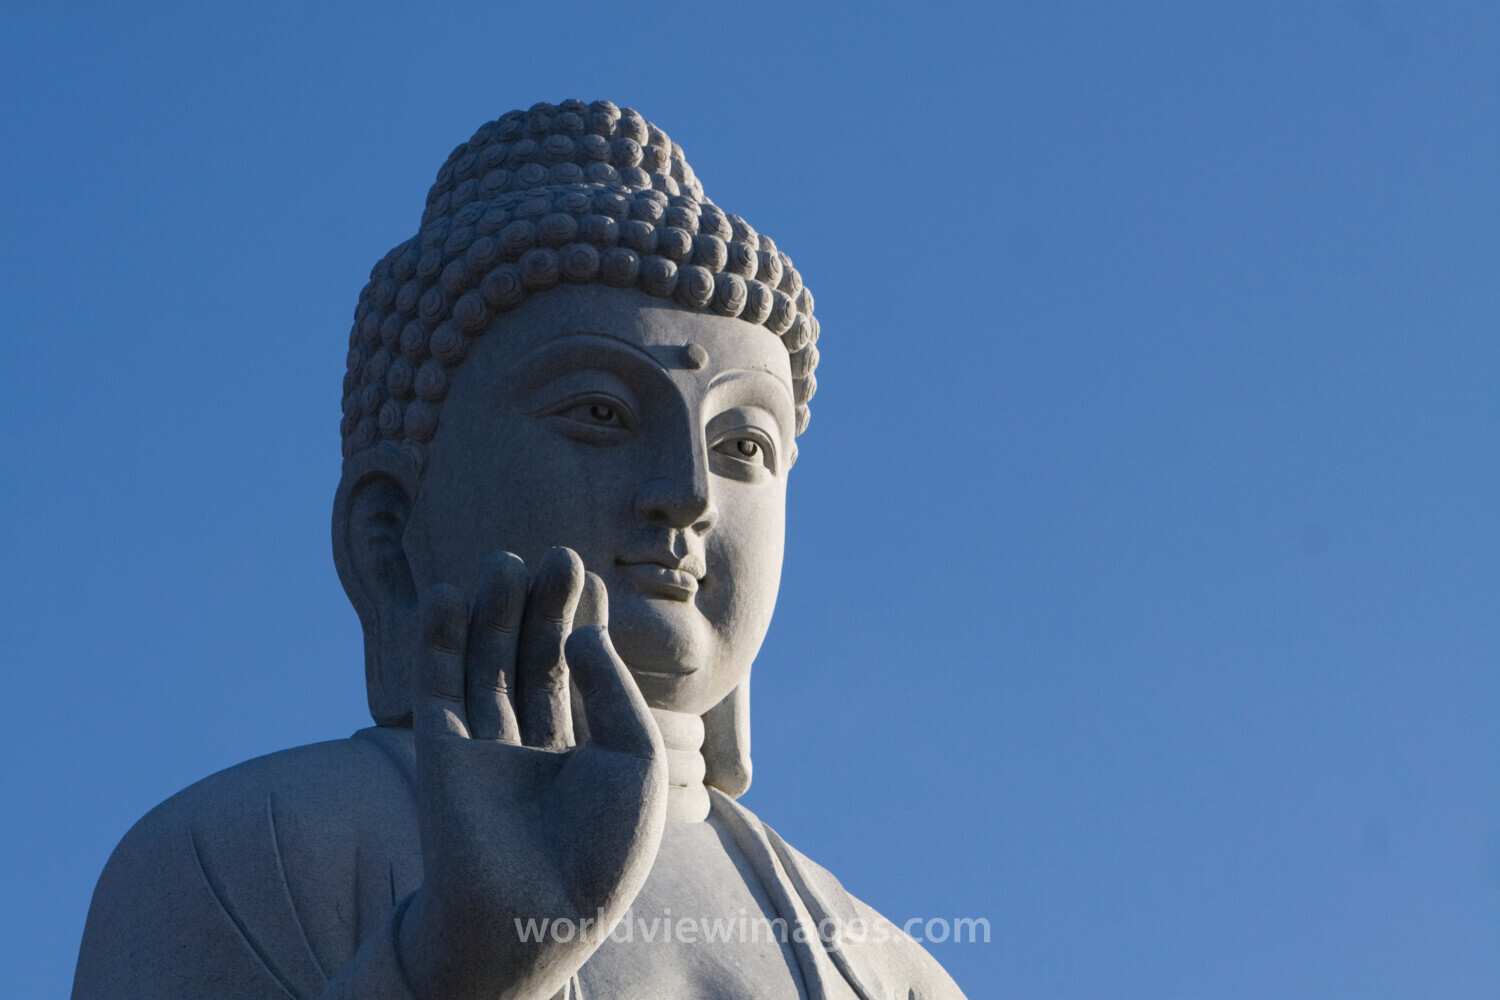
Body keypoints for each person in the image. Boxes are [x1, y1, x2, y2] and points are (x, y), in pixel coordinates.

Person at [73, 100, 967, 1000]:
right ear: (389, 534)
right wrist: (453, 972)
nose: (689, 493)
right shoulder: (248, 849)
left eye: (744, 448)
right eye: (600, 414)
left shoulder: (889, 969)